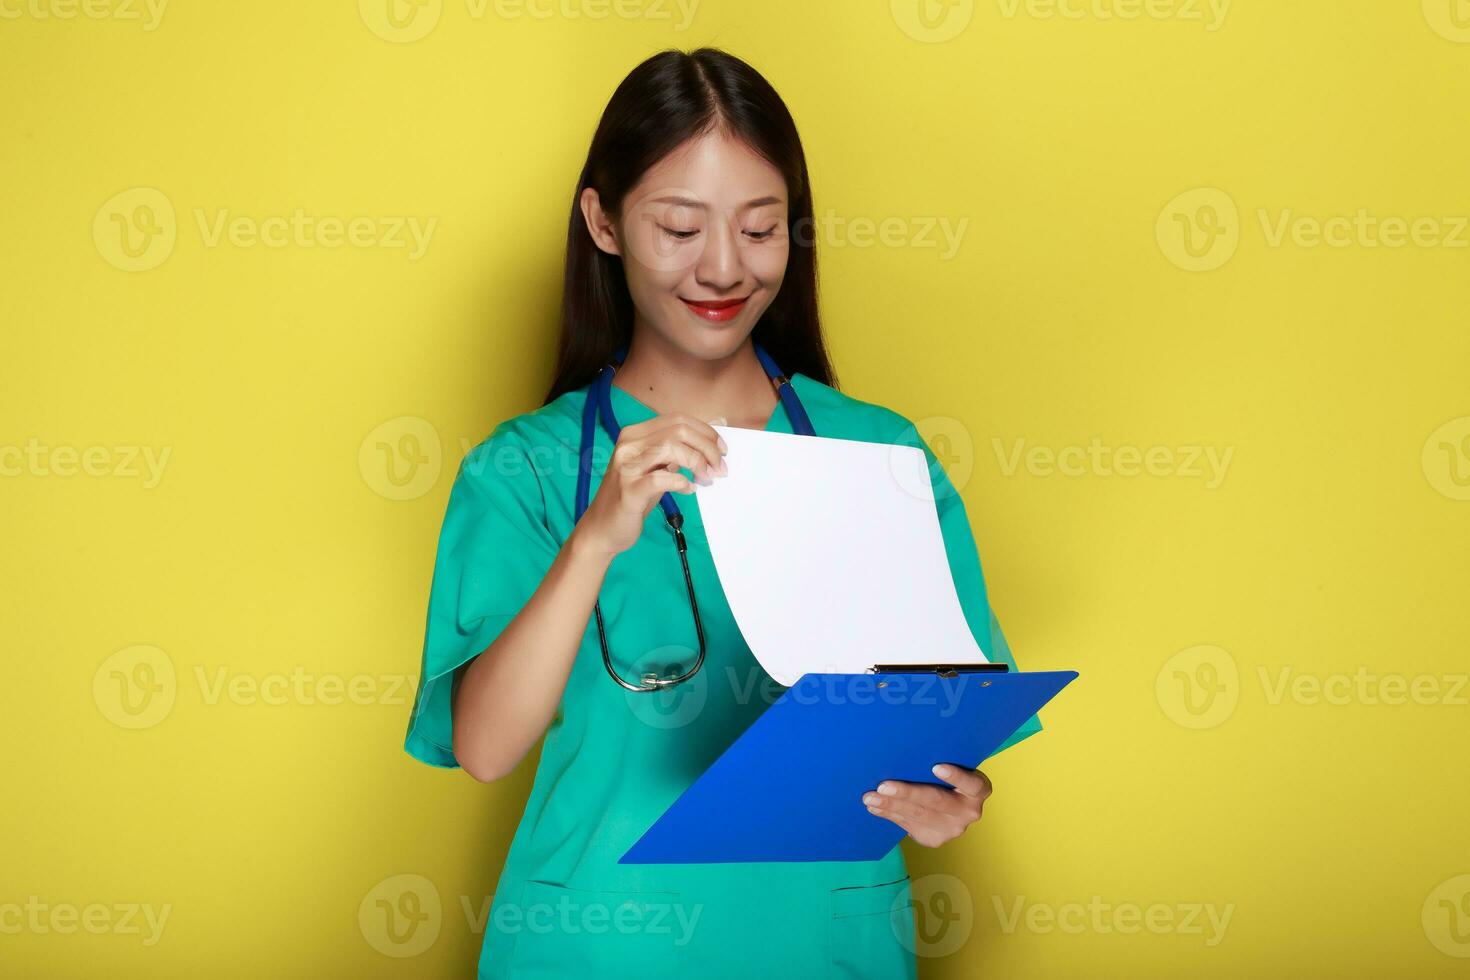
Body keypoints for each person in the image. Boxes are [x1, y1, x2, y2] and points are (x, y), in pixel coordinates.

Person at [403, 46, 1041, 980]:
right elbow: (486, 749)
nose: (722, 268)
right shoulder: (525, 470)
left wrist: (953, 793)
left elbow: (940, 726)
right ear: (604, 222)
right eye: (679, 227)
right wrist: (594, 541)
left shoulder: (881, 456)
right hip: (595, 943)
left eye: (760, 228)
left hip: (825, 941)